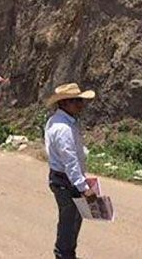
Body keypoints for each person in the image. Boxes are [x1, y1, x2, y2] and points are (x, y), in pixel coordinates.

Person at [44, 83, 96, 259]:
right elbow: (70, 161)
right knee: (69, 222)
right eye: (76, 101)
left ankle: (67, 254)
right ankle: (64, 255)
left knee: (73, 220)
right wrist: (83, 187)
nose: (81, 104)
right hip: (66, 181)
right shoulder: (63, 128)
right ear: (64, 103)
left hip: (65, 179)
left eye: (80, 100)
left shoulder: (60, 121)